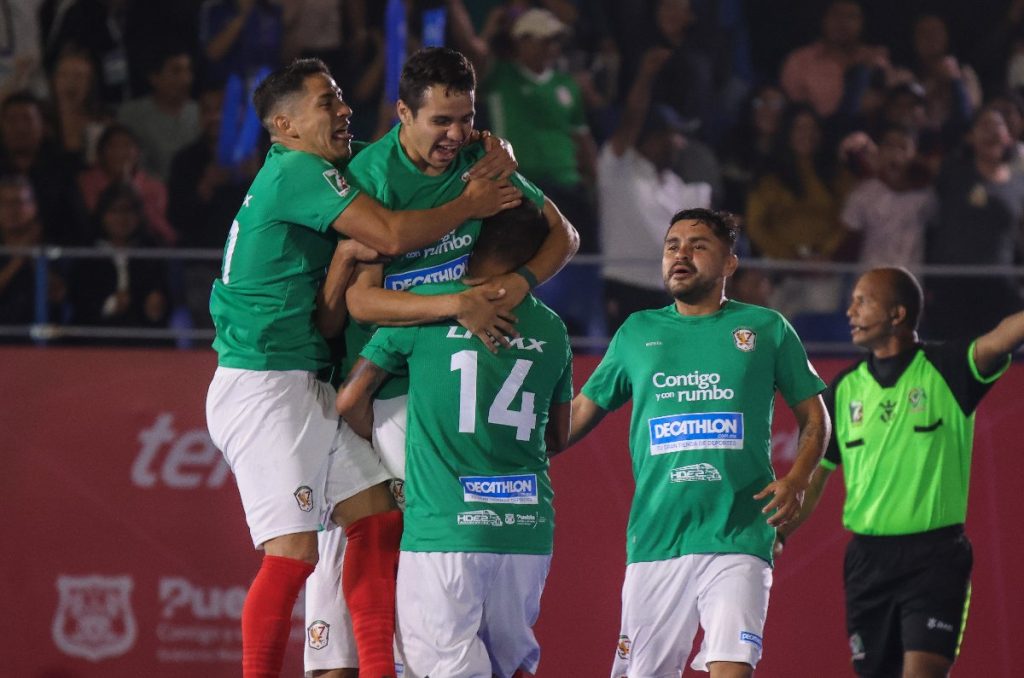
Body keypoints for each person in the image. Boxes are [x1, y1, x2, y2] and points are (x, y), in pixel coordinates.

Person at [204, 57, 522, 678]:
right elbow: (395, 234)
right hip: (263, 385)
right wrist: (471, 201)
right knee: (293, 553)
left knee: (376, 516)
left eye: (342, 96)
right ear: (284, 125)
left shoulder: (317, 169)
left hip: (304, 379)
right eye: (328, 103)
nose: (345, 109)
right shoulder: (297, 170)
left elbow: (330, 314)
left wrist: (483, 143)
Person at [304, 45, 578, 678]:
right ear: (403, 112)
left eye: (466, 118)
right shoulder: (371, 176)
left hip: (433, 399)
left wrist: (522, 283)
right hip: (374, 394)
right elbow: (362, 300)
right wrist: (460, 303)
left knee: (426, 619)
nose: (456, 136)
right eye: (440, 122)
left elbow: (563, 235)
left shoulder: (485, 158)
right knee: (343, 600)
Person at [568, 207, 830, 678]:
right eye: (672, 246)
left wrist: (797, 479)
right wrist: (510, 442)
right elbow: (577, 417)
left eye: (697, 245)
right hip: (656, 540)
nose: (680, 255)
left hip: (739, 533)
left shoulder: (766, 328)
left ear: (730, 263)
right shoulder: (637, 331)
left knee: (733, 668)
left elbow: (815, 418)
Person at [336, 202, 573, 678]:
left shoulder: (430, 307)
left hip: (445, 528)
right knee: (512, 666)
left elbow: (348, 402)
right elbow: (558, 435)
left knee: (442, 668)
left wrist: (387, 445)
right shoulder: (552, 327)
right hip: (526, 531)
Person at [777, 267, 1024, 678]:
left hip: (935, 557)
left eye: (863, 301)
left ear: (897, 315)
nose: (850, 311)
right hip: (866, 562)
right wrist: (780, 534)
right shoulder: (844, 389)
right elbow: (815, 477)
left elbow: (1004, 335)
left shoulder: (947, 368)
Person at [597, 47, 711, 333]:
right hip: (626, 284)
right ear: (650, 137)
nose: (678, 144)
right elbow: (632, 118)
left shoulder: (675, 184)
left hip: (668, 289)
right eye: (671, 136)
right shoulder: (618, 168)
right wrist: (645, 77)